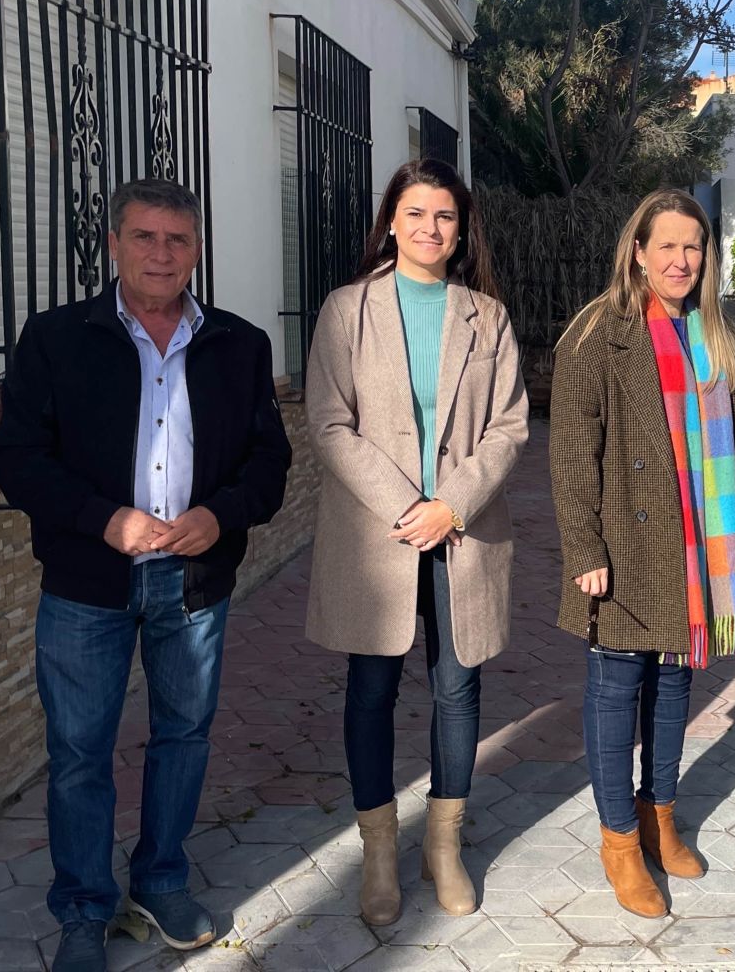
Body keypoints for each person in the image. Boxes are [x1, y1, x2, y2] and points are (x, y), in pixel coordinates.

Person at [0, 177, 291, 972]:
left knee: (183, 736)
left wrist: (220, 515)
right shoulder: (56, 339)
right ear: (114, 244)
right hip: (87, 583)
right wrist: (104, 519)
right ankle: (85, 909)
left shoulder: (240, 344)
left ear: (197, 250)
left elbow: (270, 462)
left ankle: (159, 880)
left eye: (177, 239)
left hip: (192, 584)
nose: (162, 253)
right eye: (145, 237)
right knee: (79, 750)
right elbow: (16, 458)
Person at [302, 158, 528, 923]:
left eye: (445, 216)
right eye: (417, 213)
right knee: (372, 689)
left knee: (457, 689)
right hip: (379, 534)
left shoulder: (486, 317)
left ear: (460, 231)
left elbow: (509, 427)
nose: (431, 228)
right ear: (391, 222)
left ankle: (443, 845)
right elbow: (329, 422)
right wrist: (409, 506)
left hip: (464, 533)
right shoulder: (347, 310)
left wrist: (451, 505)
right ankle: (377, 854)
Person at [549, 189, 735, 918]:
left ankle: (659, 816)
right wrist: (585, 546)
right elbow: (572, 455)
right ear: (637, 252)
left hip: (696, 542)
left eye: (693, 246)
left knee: (673, 683)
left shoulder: (716, 334)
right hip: (624, 538)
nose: (680, 260)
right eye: (666, 245)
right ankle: (618, 840)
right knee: (616, 687)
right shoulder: (596, 334)